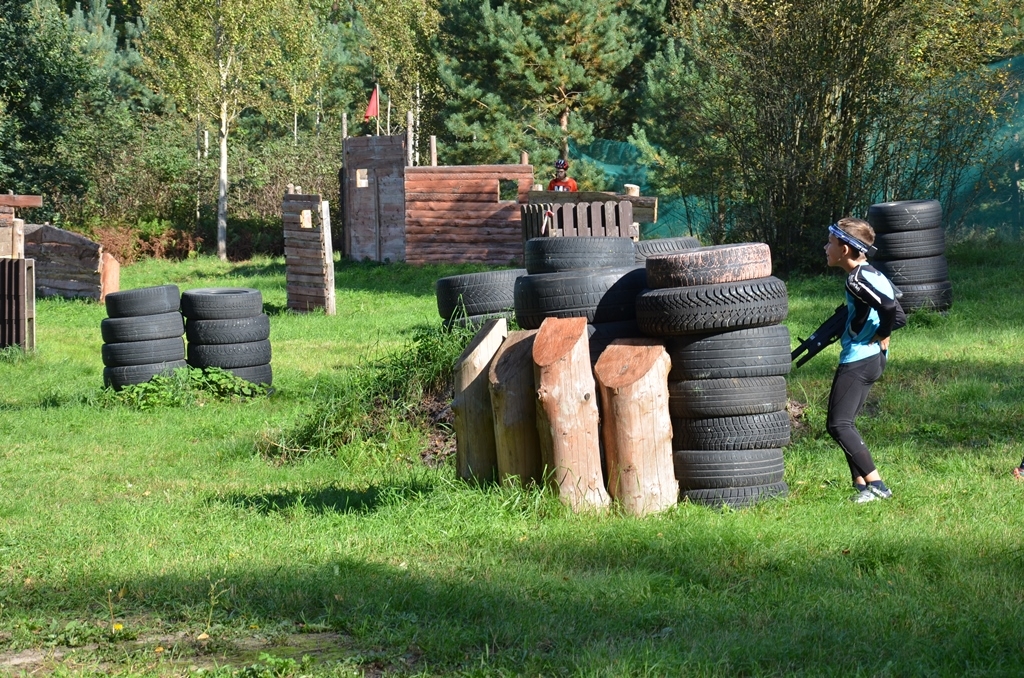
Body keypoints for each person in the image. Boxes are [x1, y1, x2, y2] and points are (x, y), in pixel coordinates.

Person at [824, 217, 905, 503]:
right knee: (845, 423)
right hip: (872, 358)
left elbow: (889, 308)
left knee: (839, 425)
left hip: (860, 359)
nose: (826, 247)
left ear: (845, 250)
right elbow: (900, 312)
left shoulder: (856, 279)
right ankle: (861, 487)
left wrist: (883, 331)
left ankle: (878, 486)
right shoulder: (874, 273)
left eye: (831, 243)